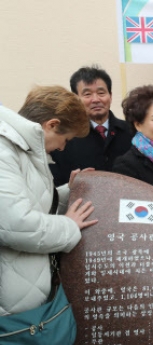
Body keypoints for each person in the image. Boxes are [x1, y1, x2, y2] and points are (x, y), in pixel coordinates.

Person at [0, 86, 97, 317]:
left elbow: (31, 202)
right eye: (65, 139)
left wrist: (69, 193)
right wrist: (70, 226)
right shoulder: (5, 151)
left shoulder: (20, 148)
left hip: (22, 295)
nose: (63, 147)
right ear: (51, 125)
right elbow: (16, 225)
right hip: (11, 308)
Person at [49, 65, 133, 186]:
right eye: (87, 94)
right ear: (76, 99)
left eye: (101, 93)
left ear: (110, 96)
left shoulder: (131, 132)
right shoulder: (64, 139)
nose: (95, 99)